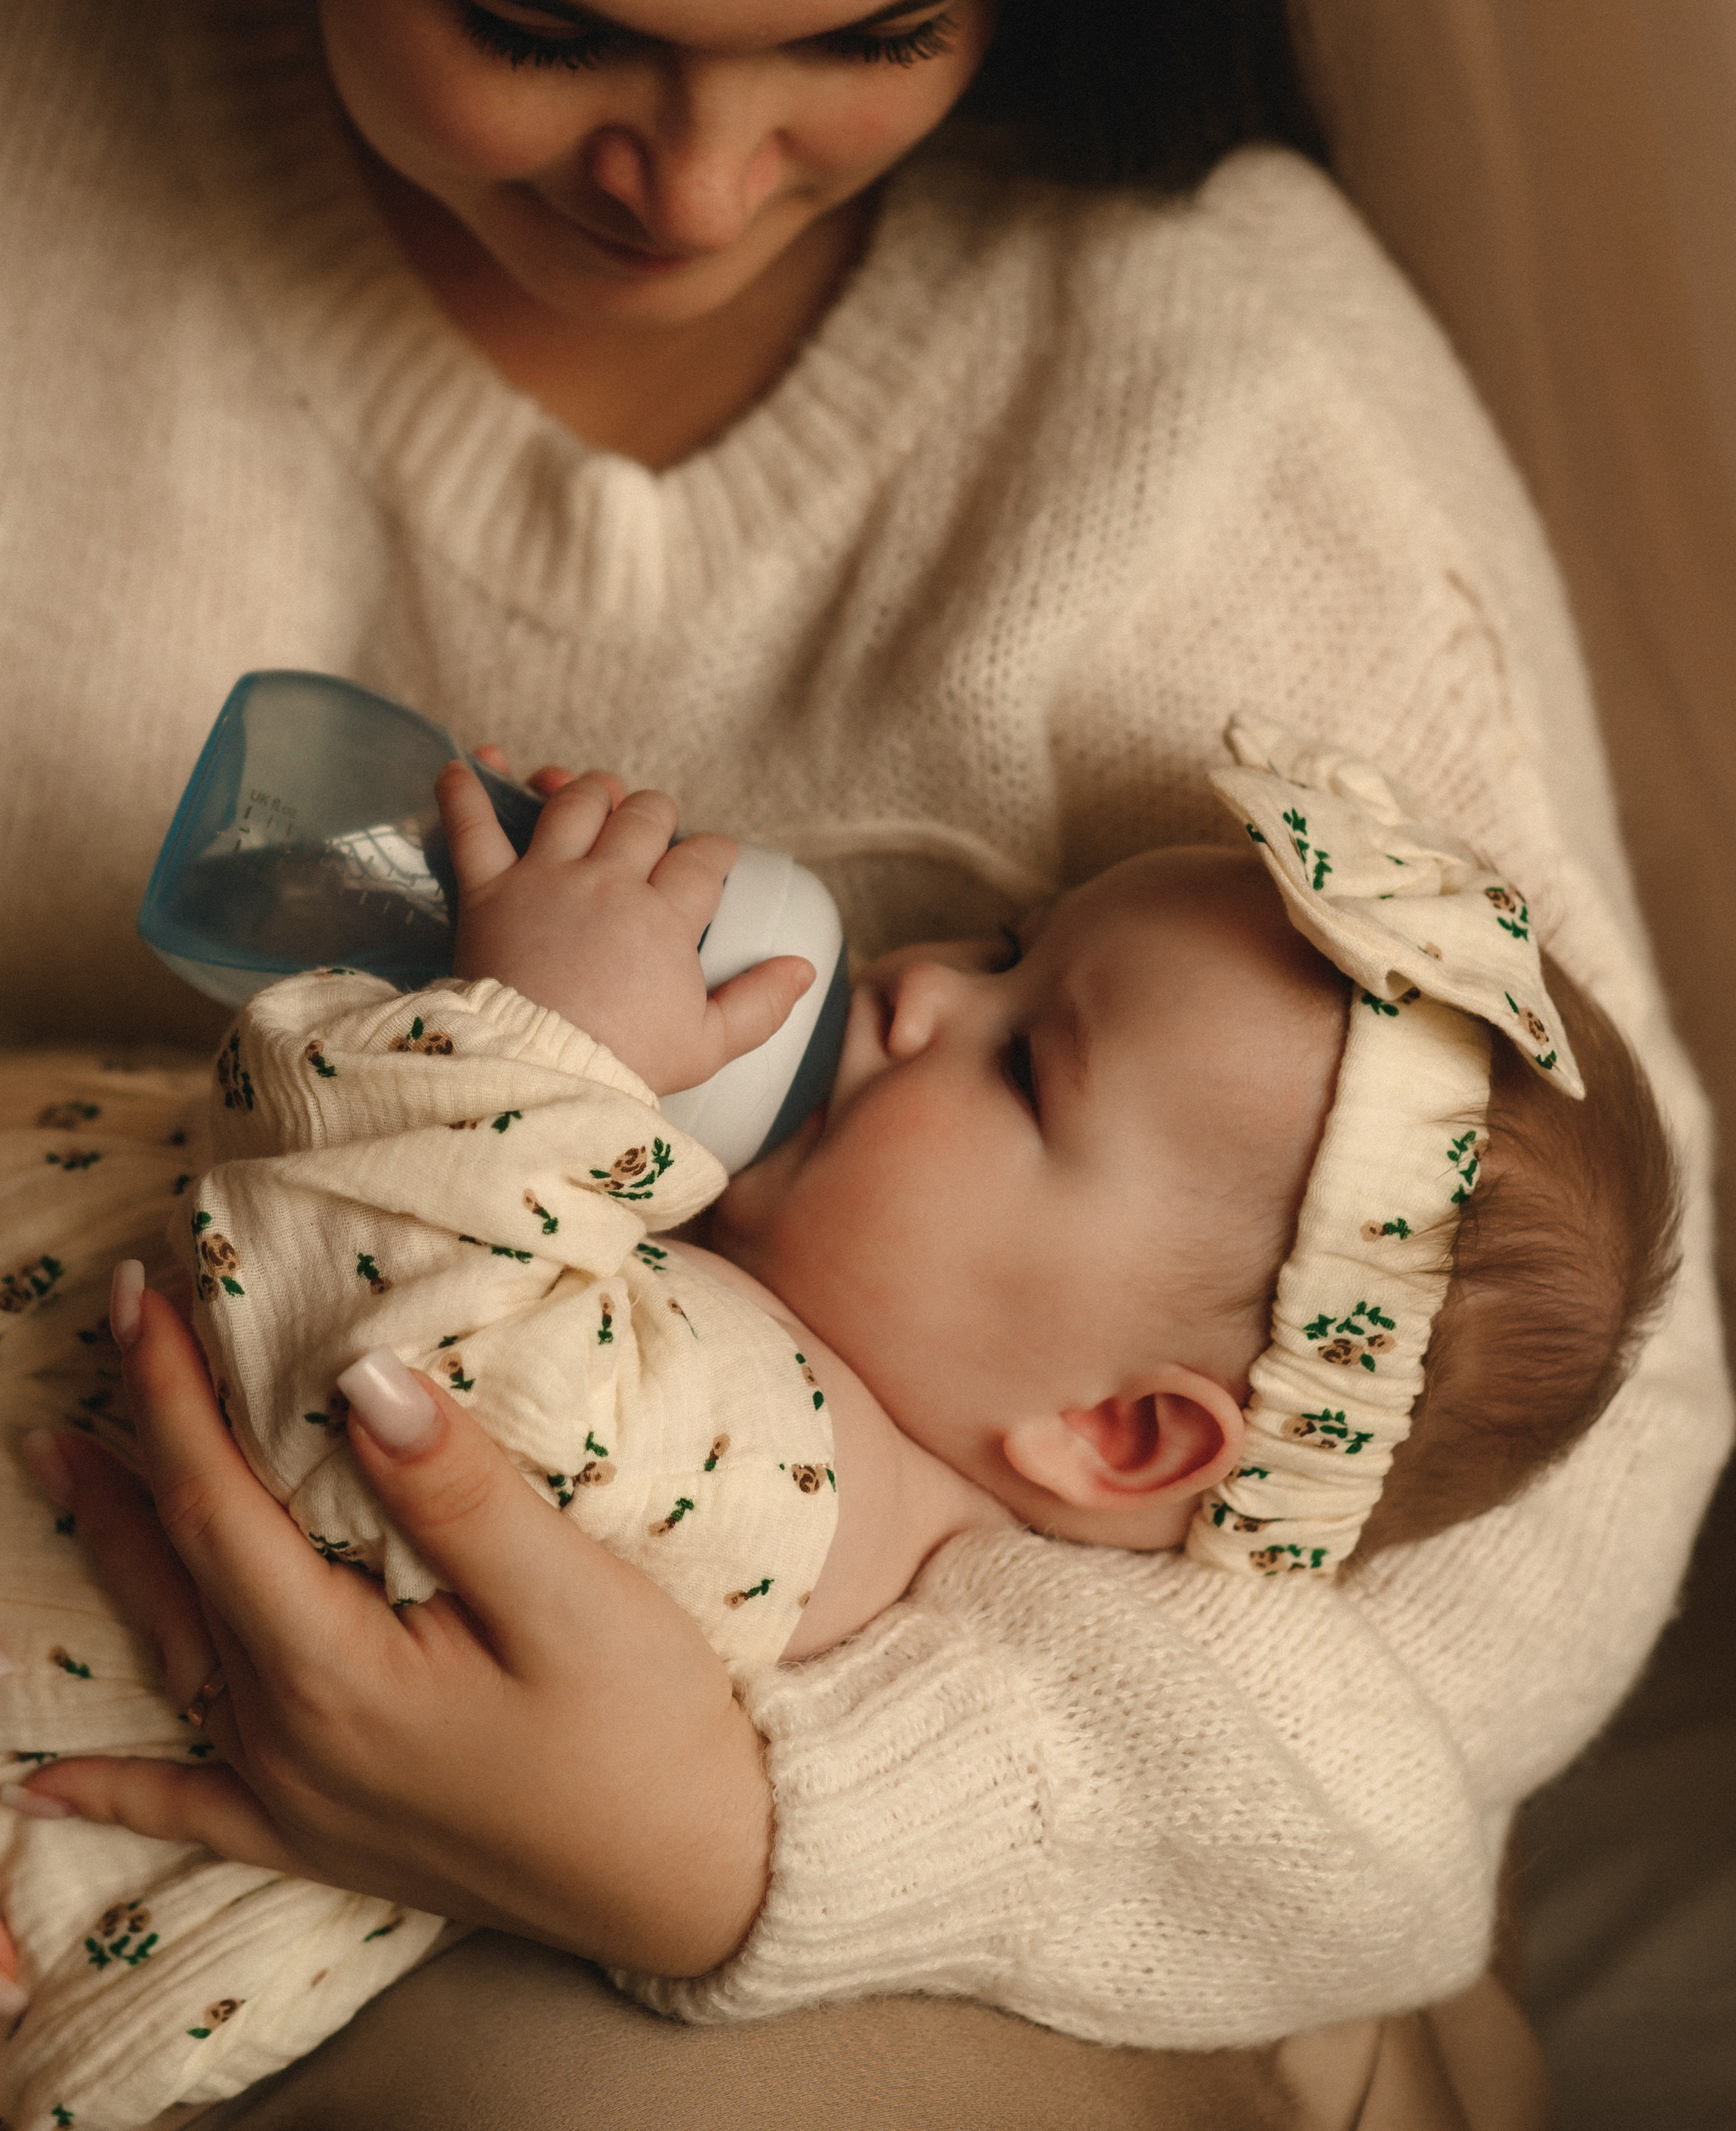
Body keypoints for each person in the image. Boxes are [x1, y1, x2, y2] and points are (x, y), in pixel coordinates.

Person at [0, 0, 1726, 2121]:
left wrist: (733, 1831)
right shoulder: (45, 96)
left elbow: (1509, 1537)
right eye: (536, 21)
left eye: (880, 27)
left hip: (969, 1907)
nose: (696, 182)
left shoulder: (1209, 403)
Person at [0, 729, 1690, 2129]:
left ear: (1114, 1436)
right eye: (1008, 946)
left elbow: (394, 1376)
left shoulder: (786, 1461)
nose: (915, 987)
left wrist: (539, 1053)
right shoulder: (727, 1273)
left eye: (1022, 1065)